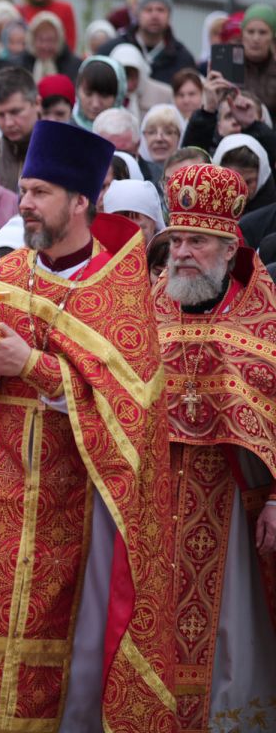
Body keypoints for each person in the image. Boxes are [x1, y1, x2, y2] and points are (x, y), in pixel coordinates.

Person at [0, 120, 176, 732]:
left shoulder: (121, 286)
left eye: (40, 191)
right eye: (22, 189)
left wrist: (33, 367)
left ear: (80, 201)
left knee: (71, 661)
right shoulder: (0, 273)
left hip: (81, 501)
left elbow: (132, 404)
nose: (23, 202)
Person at [152, 164, 276, 730]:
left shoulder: (264, 315)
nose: (182, 253)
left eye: (197, 241)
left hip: (232, 503)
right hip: (154, 503)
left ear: (229, 247)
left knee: (234, 628)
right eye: (176, 240)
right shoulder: (147, 308)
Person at [97, 0, 196, 84]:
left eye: (160, 10)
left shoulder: (182, 59)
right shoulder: (112, 50)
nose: (154, 16)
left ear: (169, 15)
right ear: (138, 14)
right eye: (148, 10)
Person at [0, 66, 39, 193]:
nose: (8, 123)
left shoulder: (60, 151)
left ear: (37, 103)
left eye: (15, 112)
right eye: (0, 114)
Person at [108, 42, 174, 120]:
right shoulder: (104, 97)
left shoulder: (164, 95)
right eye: (124, 78)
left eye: (133, 77)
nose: (129, 85)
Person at [17, 10, 80, 83]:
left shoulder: (75, 67)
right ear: (32, 40)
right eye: (41, 40)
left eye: (50, 40)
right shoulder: (20, 67)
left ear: (59, 40)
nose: (45, 47)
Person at [102, 178, 166, 245]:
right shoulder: (97, 253)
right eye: (121, 228)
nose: (131, 238)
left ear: (154, 225)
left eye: (139, 229)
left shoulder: (170, 254)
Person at [241, 3, 276, 120]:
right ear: (242, 35)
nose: (256, 39)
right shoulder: (229, 66)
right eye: (250, 32)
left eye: (263, 32)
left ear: (272, 36)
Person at [73, 55, 127, 130]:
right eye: (88, 94)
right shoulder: (65, 130)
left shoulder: (129, 132)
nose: (95, 104)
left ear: (118, 96)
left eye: (104, 96)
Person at [139, 104, 186, 170]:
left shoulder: (191, 176)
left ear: (180, 137)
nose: (159, 138)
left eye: (168, 132)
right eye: (152, 132)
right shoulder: (132, 174)